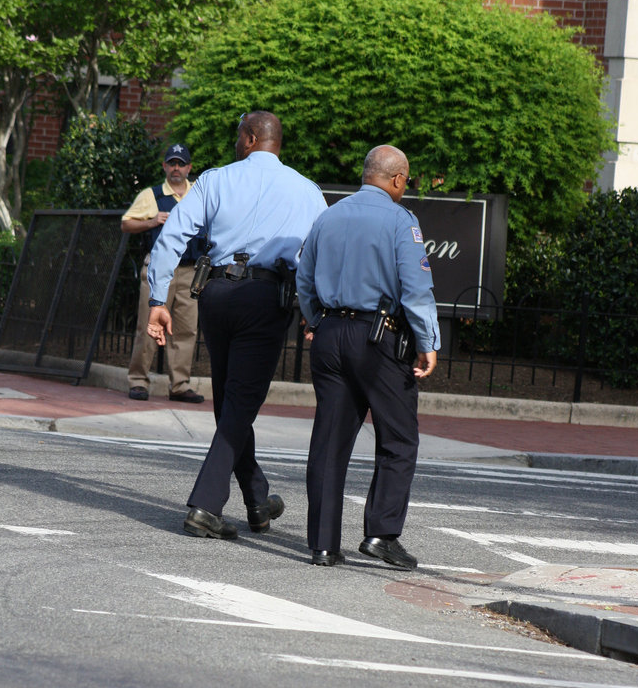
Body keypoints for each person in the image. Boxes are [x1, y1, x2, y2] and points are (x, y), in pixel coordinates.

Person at [146, 111, 327, 539]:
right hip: (266, 298)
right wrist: (316, 312)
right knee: (241, 403)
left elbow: (172, 235)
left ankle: (257, 499)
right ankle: (206, 506)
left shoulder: (213, 180)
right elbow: (320, 259)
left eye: (236, 135)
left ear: (249, 138)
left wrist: (158, 299)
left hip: (216, 294)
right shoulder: (307, 191)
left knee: (230, 400)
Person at [296, 144, 440, 570]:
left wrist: (316, 318)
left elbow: (304, 277)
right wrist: (428, 340)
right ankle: (381, 533)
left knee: (330, 440)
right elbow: (415, 289)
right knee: (398, 438)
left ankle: (323, 544)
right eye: (406, 181)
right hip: (378, 338)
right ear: (397, 179)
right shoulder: (401, 220)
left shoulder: (328, 216)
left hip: (330, 333)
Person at [123, 143, 205, 403]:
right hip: (159, 271)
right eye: (172, 163)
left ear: (190, 168)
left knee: (187, 330)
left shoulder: (199, 194)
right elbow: (126, 224)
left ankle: (179, 385)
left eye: (181, 163)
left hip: (190, 271)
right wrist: (152, 221)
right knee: (148, 325)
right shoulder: (153, 195)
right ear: (165, 167)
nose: (177, 168)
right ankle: (138, 381)